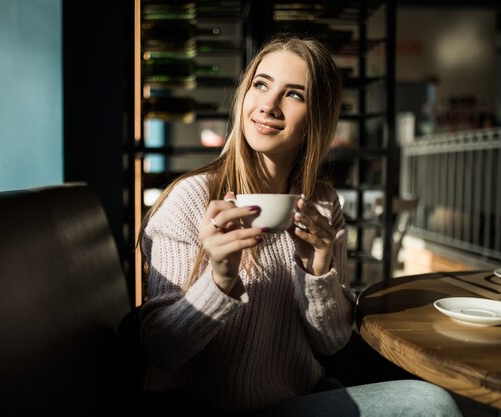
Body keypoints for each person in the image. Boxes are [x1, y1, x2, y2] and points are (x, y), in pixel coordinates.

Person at [137, 34, 463, 417]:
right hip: (210, 409)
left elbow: (333, 343)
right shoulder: (190, 199)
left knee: (432, 400)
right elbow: (160, 350)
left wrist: (318, 270)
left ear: (315, 119)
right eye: (261, 85)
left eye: (294, 95)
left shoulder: (323, 204)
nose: (269, 106)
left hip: (299, 398)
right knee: (433, 404)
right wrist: (219, 281)